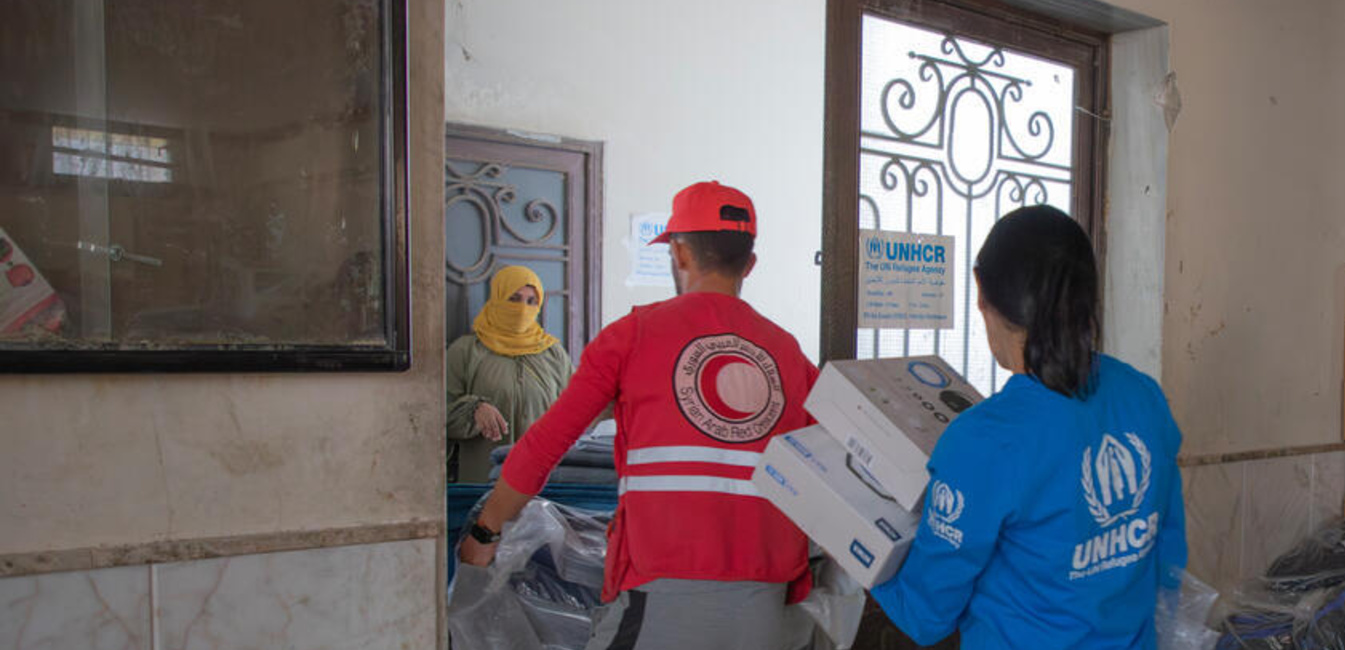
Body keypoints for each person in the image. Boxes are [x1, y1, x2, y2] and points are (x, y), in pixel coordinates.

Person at [457, 181, 819, 650]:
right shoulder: (789, 353)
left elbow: (545, 445)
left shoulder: (631, 336)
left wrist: (486, 531)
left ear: (680, 254)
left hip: (662, 595)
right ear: (749, 263)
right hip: (772, 602)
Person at [871, 205, 1188, 649]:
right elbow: (1168, 552)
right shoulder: (1142, 397)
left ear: (982, 293)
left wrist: (857, 555)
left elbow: (926, 615)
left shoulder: (983, 441)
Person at [445, 265, 573, 482]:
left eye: (531, 301)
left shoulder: (553, 354)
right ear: (497, 298)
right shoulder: (466, 351)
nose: (523, 308)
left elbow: (577, 413)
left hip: (543, 485)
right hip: (483, 483)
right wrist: (473, 409)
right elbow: (434, 414)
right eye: (514, 298)